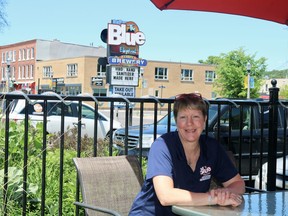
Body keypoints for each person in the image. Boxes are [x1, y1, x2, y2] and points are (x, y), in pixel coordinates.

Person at [129, 93, 245, 216]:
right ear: (176, 120)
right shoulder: (162, 146)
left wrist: (225, 193)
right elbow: (165, 196)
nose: (189, 123)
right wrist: (212, 198)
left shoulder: (212, 148)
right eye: (183, 117)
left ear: (205, 120)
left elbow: (238, 184)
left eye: (195, 116)